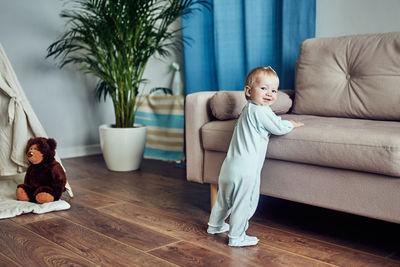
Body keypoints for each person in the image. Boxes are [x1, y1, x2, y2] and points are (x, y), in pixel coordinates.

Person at [207, 66, 304, 247]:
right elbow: (277, 127)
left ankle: (214, 225)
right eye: (263, 88)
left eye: (274, 90)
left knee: (224, 199)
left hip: (229, 166)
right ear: (248, 91)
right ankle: (237, 237)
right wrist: (290, 124)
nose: (269, 93)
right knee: (246, 202)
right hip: (247, 168)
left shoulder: (247, 109)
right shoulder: (261, 111)